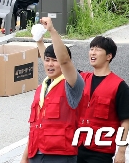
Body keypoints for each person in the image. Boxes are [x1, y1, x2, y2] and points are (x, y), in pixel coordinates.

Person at [21, 16, 84, 163]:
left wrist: (52, 31)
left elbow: (64, 60)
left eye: (54, 60)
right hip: (36, 153)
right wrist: (24, 158)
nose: (50, 64)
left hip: (60, 156)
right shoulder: (43, 87)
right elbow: (35, 127)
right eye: (47, 60)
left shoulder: (73, 83)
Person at [76, 36, 129, 163]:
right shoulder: (81, 79)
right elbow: (61, 64)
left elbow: (126, 122)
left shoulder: (119, 86)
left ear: (109, 56)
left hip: (100, 152)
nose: (92, 52)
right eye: (91, 49)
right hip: (76, 147)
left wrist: (121, 151)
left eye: (97, 49)